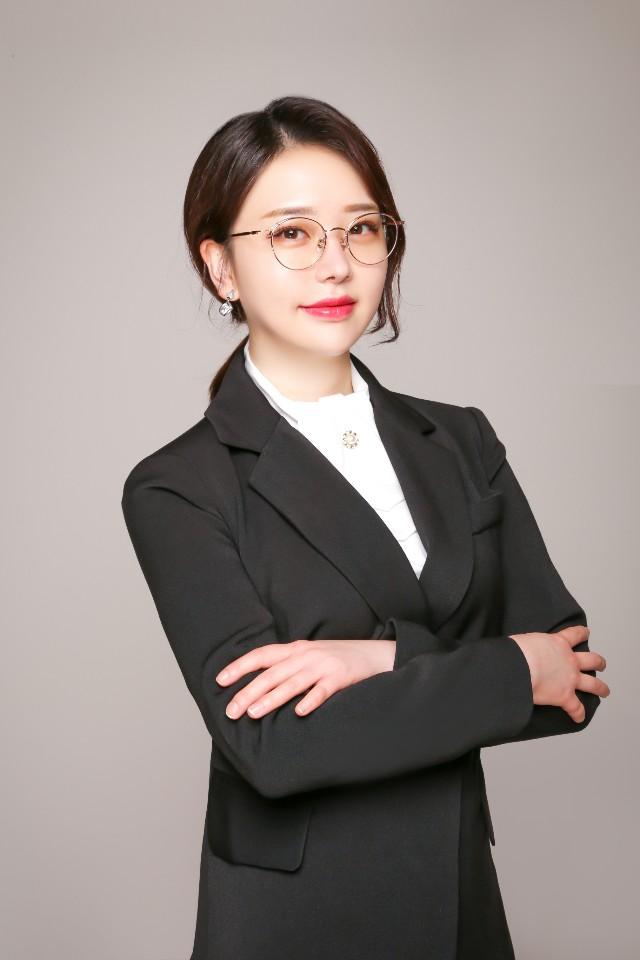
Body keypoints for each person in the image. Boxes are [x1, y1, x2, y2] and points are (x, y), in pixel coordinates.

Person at [121, 96, 610, 960]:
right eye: (292, 233)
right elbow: (273, 743)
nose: (336, 265)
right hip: (294, 921)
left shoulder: (461, 439)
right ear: (220, 267)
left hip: (458, 903)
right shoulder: (178, 486)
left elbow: (569, 678)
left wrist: (372, 661)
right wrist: (506, 668)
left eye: (361, 229)